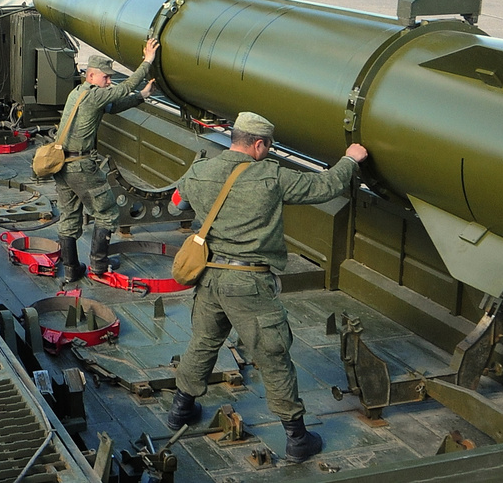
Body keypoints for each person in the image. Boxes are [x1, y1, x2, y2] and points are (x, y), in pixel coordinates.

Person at [167, 111, 368, 463]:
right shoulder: (271, 176)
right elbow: (325, 187)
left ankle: (180, 410)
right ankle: (297, 439)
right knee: (273, 356)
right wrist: (350, 159)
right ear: (258, 144)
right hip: (249, 284)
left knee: (203, 342)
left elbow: (176, 205)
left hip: (209, 277)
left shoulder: (200, 169)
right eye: (269, 146)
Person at [54, 39, 158, 284]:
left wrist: (142, 96)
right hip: (81, 166)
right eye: (106, 77)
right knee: (108, 212)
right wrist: (148, 61)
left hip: (62, 165)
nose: (109, 81)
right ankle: (99, 265)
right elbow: (124, 88)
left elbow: (112, 106)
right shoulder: (94, 96)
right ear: (91, 75)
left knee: (69, 216)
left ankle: (71, 268)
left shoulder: (79, 93)